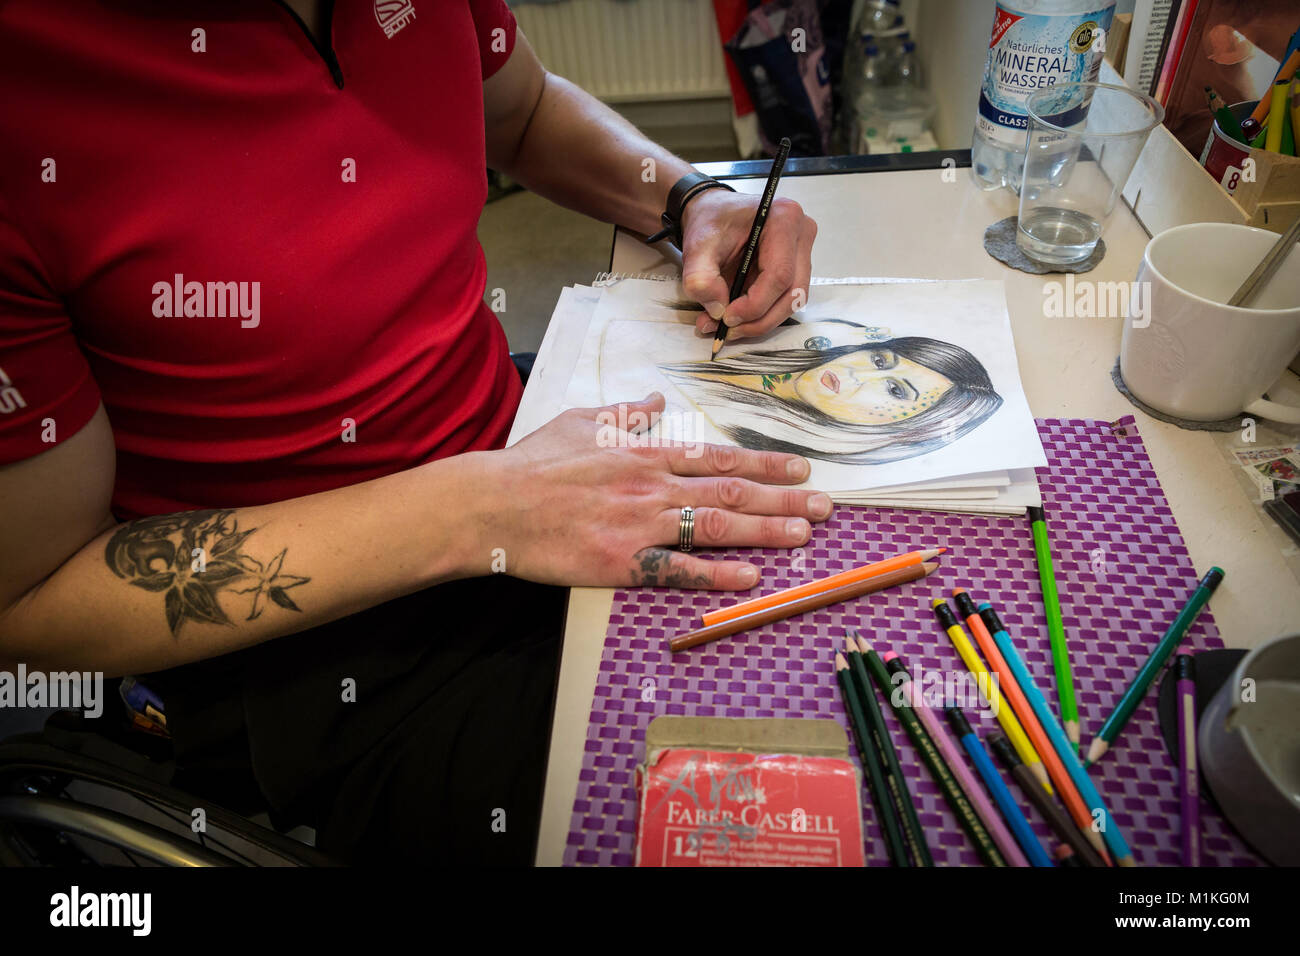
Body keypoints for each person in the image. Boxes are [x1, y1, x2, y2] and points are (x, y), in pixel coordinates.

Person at [0, 0, 823, 864]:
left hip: (515, 451)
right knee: (735, 805)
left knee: (812, 643)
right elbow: (31, 601)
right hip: (321, 647)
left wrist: (689, 198)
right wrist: (482, 510)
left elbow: (527, 110)